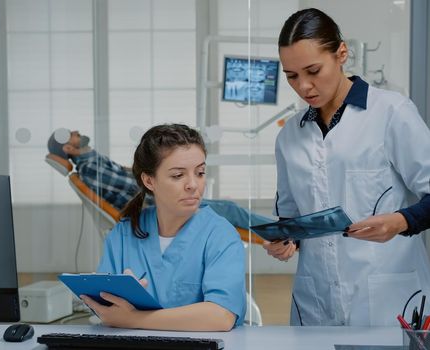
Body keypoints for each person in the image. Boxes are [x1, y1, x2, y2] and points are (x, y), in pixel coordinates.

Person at [264, 8, 430, 326]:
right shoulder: (289, 136)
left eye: (313, 70)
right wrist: (285, 240)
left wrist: (401, 221)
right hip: (315, 300)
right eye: (292, 76)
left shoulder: (392, 112)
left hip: (387, 297)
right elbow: (290, 215)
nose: (304, 86)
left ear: (342, 53)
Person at [79, 124, 245, 331]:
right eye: (178, 175)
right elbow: (103, 306)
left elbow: (221, 316)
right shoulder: (124, 233)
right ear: (149, 180)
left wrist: (133, 319)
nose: (193, 184)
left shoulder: (220, 235)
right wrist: (121, 297)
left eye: (200, 173)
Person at [47, 129, 273, 231]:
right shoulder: (90, 169)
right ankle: (278, 230)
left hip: (160, 200)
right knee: (229, 209)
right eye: (72, 135)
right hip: (157, 207)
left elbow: (127, 176)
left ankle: (277, 230)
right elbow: (132, 187)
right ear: (69, 148)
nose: (77, 132)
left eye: (200, 172)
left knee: (227, 208)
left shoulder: (95, 161)